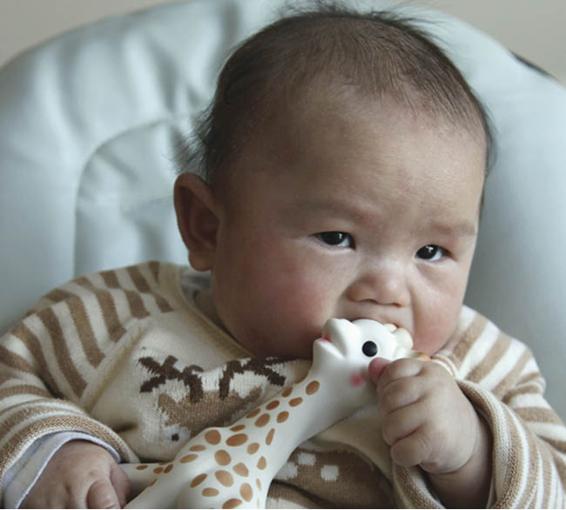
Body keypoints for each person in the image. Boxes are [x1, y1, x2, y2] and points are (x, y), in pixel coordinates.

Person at [1, 3, 565, 508]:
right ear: (207, 228)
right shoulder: (114, 317)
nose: (388, 290)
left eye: (432, 251)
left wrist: (472, 452)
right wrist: (56, 451)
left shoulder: (480, 367)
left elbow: (555, 486)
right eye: (337, 238)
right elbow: (11, 376)